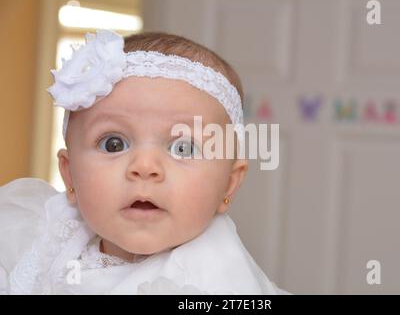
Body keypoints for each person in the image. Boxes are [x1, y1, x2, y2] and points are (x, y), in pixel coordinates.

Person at [0, 30, 288, 294]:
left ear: (228, 184)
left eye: (184, 147)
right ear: (70, 174)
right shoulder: (48, 237)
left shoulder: (219, 279)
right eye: (113, 144)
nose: (145, 166)